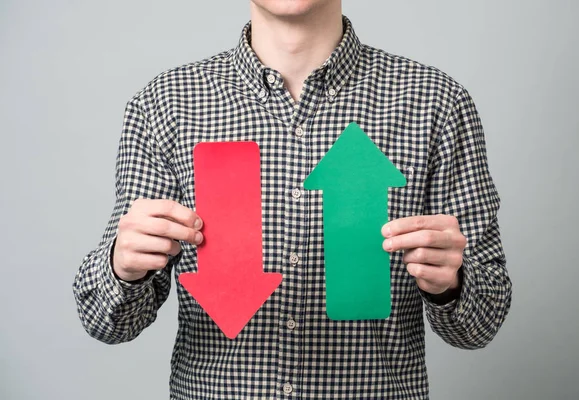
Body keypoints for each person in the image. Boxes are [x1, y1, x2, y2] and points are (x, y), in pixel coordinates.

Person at [72, 0, 512, 398]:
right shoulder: (164, 106)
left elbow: (481, 324)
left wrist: (451, 285)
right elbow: (108, 323)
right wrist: (120, 268)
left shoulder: (436, 104)